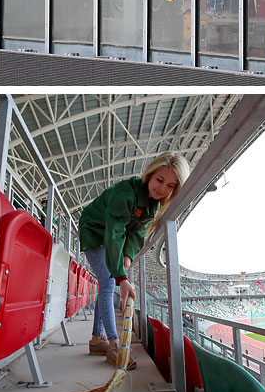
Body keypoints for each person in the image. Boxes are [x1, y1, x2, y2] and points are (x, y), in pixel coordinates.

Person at [79, 153, 190, 371]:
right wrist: (121, 276)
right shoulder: (125, 193)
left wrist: (127, 257)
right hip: (94, 232)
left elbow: (137, 234)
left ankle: (95, 340)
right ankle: (114, 345)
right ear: (150, 174)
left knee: (106, 284)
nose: (161, 189)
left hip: (110, 237)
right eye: (159, 180)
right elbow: (114, 233)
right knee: (109, 282)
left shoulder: (153, 206)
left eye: (170, 186)